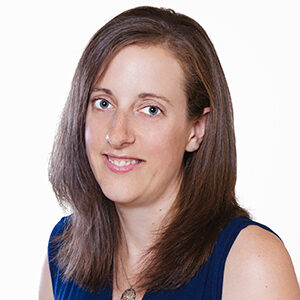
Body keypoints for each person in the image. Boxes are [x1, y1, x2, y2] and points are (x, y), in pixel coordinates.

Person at [39, 6, 300, 300]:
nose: (117, 134)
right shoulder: (63, 249)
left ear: (197, 129)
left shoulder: (252, 263)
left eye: (151, 109)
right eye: (103, 103)